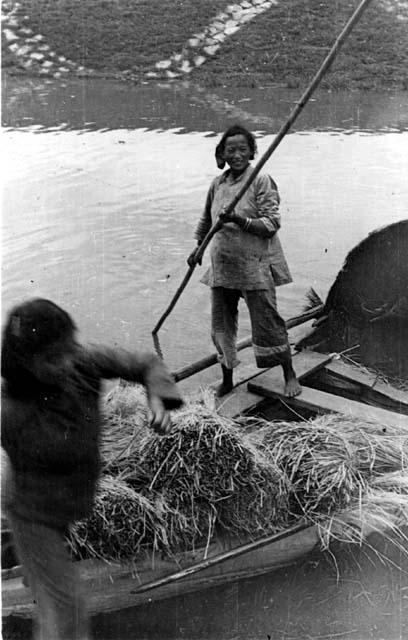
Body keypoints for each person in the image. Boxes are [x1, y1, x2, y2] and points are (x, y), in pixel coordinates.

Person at [1, 298, 183, 640]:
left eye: (70, 347)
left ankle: (35, 578)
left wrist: (157, 395)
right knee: (68, 612)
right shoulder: (10, 410)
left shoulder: (80, 363)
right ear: (24, 366)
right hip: (33, 515)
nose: (69, 362)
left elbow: (144, 362)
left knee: (48, 587)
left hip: (68, 501)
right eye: (54, 359)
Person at [188, 124, 301, 398]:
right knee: (221, 326)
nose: (237, 155)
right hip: (223, 267)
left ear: (251, 152)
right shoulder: (218, 184)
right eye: (231, 150)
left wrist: (238, 219)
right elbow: (207, 221)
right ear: (222, 154)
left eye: (242, 149)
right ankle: (227, 379)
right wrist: (198, 249)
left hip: (254, 265)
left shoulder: (261, 180)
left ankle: (289, 373)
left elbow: (272, 223)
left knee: (268, 323)